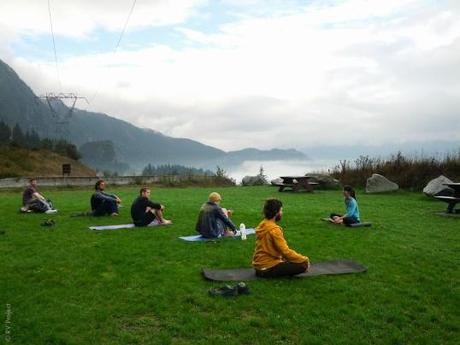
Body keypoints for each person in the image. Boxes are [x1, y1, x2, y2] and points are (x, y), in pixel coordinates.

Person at [252, 198, 310, 278]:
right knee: (302, 265)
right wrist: (304, 259)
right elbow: (285, 251)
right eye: (281, 210)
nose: (282, 213)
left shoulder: (263, 224)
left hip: (258, 266)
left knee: (289, 260)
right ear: (276, 212)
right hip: (267, 268)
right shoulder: (274, 230)